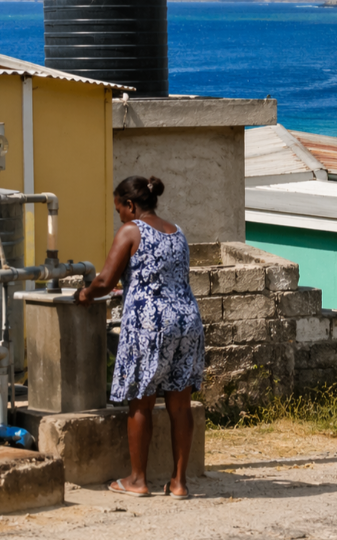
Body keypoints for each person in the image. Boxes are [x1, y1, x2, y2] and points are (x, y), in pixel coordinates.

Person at [75, 176, 205, 499]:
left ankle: (137, 479)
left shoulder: (132, 230)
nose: (119, 215)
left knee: (141, 400)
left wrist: (85, 295)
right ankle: (179, 483)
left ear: (131, 206)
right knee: (180, 403)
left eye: (119, 208)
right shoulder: (177, 231)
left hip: (151, 325)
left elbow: (105, 279)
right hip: (187, 321)